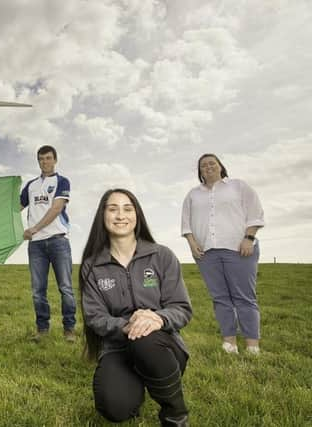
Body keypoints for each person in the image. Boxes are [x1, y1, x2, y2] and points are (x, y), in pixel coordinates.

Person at [80, 189, 192, 426]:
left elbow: (181, 307)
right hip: (118, 347)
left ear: (137, 215)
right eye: (113, 209)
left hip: (161, 345)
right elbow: (94, 316)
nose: (120, 215)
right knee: (115, 408)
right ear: (102, 216)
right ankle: (137, 384)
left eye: (127, 209)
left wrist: (157, 318)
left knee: (145, 337)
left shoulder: (162, 255)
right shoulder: (92, 265)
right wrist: (126, 326)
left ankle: (175, 413)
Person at [181, 153, 265, 355]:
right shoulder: (193, 194)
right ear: (200, 171)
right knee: (220, 298)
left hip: (239, 249)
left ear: (220, 166)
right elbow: (186, 223)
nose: (208, 167)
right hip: (206, 254)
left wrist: (249, 238)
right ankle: (229, 343)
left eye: (212, 163)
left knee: (244, 297)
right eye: (203, 165)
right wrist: (192, 244)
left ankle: (252, 345)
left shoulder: (238, 186)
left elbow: (255, 213)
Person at [20, 145, 76, 342]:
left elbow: (56, 208)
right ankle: (42, 330)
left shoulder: (62, 181)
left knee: (65, 287)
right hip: (36, 246)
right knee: (37, 290)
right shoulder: (31, 185)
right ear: (38, 161)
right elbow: (15, 207)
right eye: (41, 159)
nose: (45, 162)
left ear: (55, 160)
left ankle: (69, 330)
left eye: (48, 158)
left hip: (58, 241)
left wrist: (34, 228)